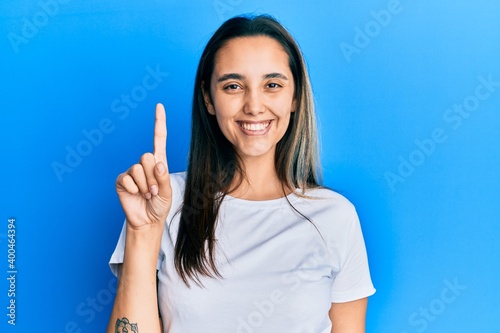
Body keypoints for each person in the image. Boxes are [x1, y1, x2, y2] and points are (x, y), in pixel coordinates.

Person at [107, 14, 375, 333]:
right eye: (233, 86)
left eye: (272, 85)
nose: (254, 105)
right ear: (208, 98)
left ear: (295, 97)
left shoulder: (335, 217)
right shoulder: (161, 202)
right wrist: (143, 232)